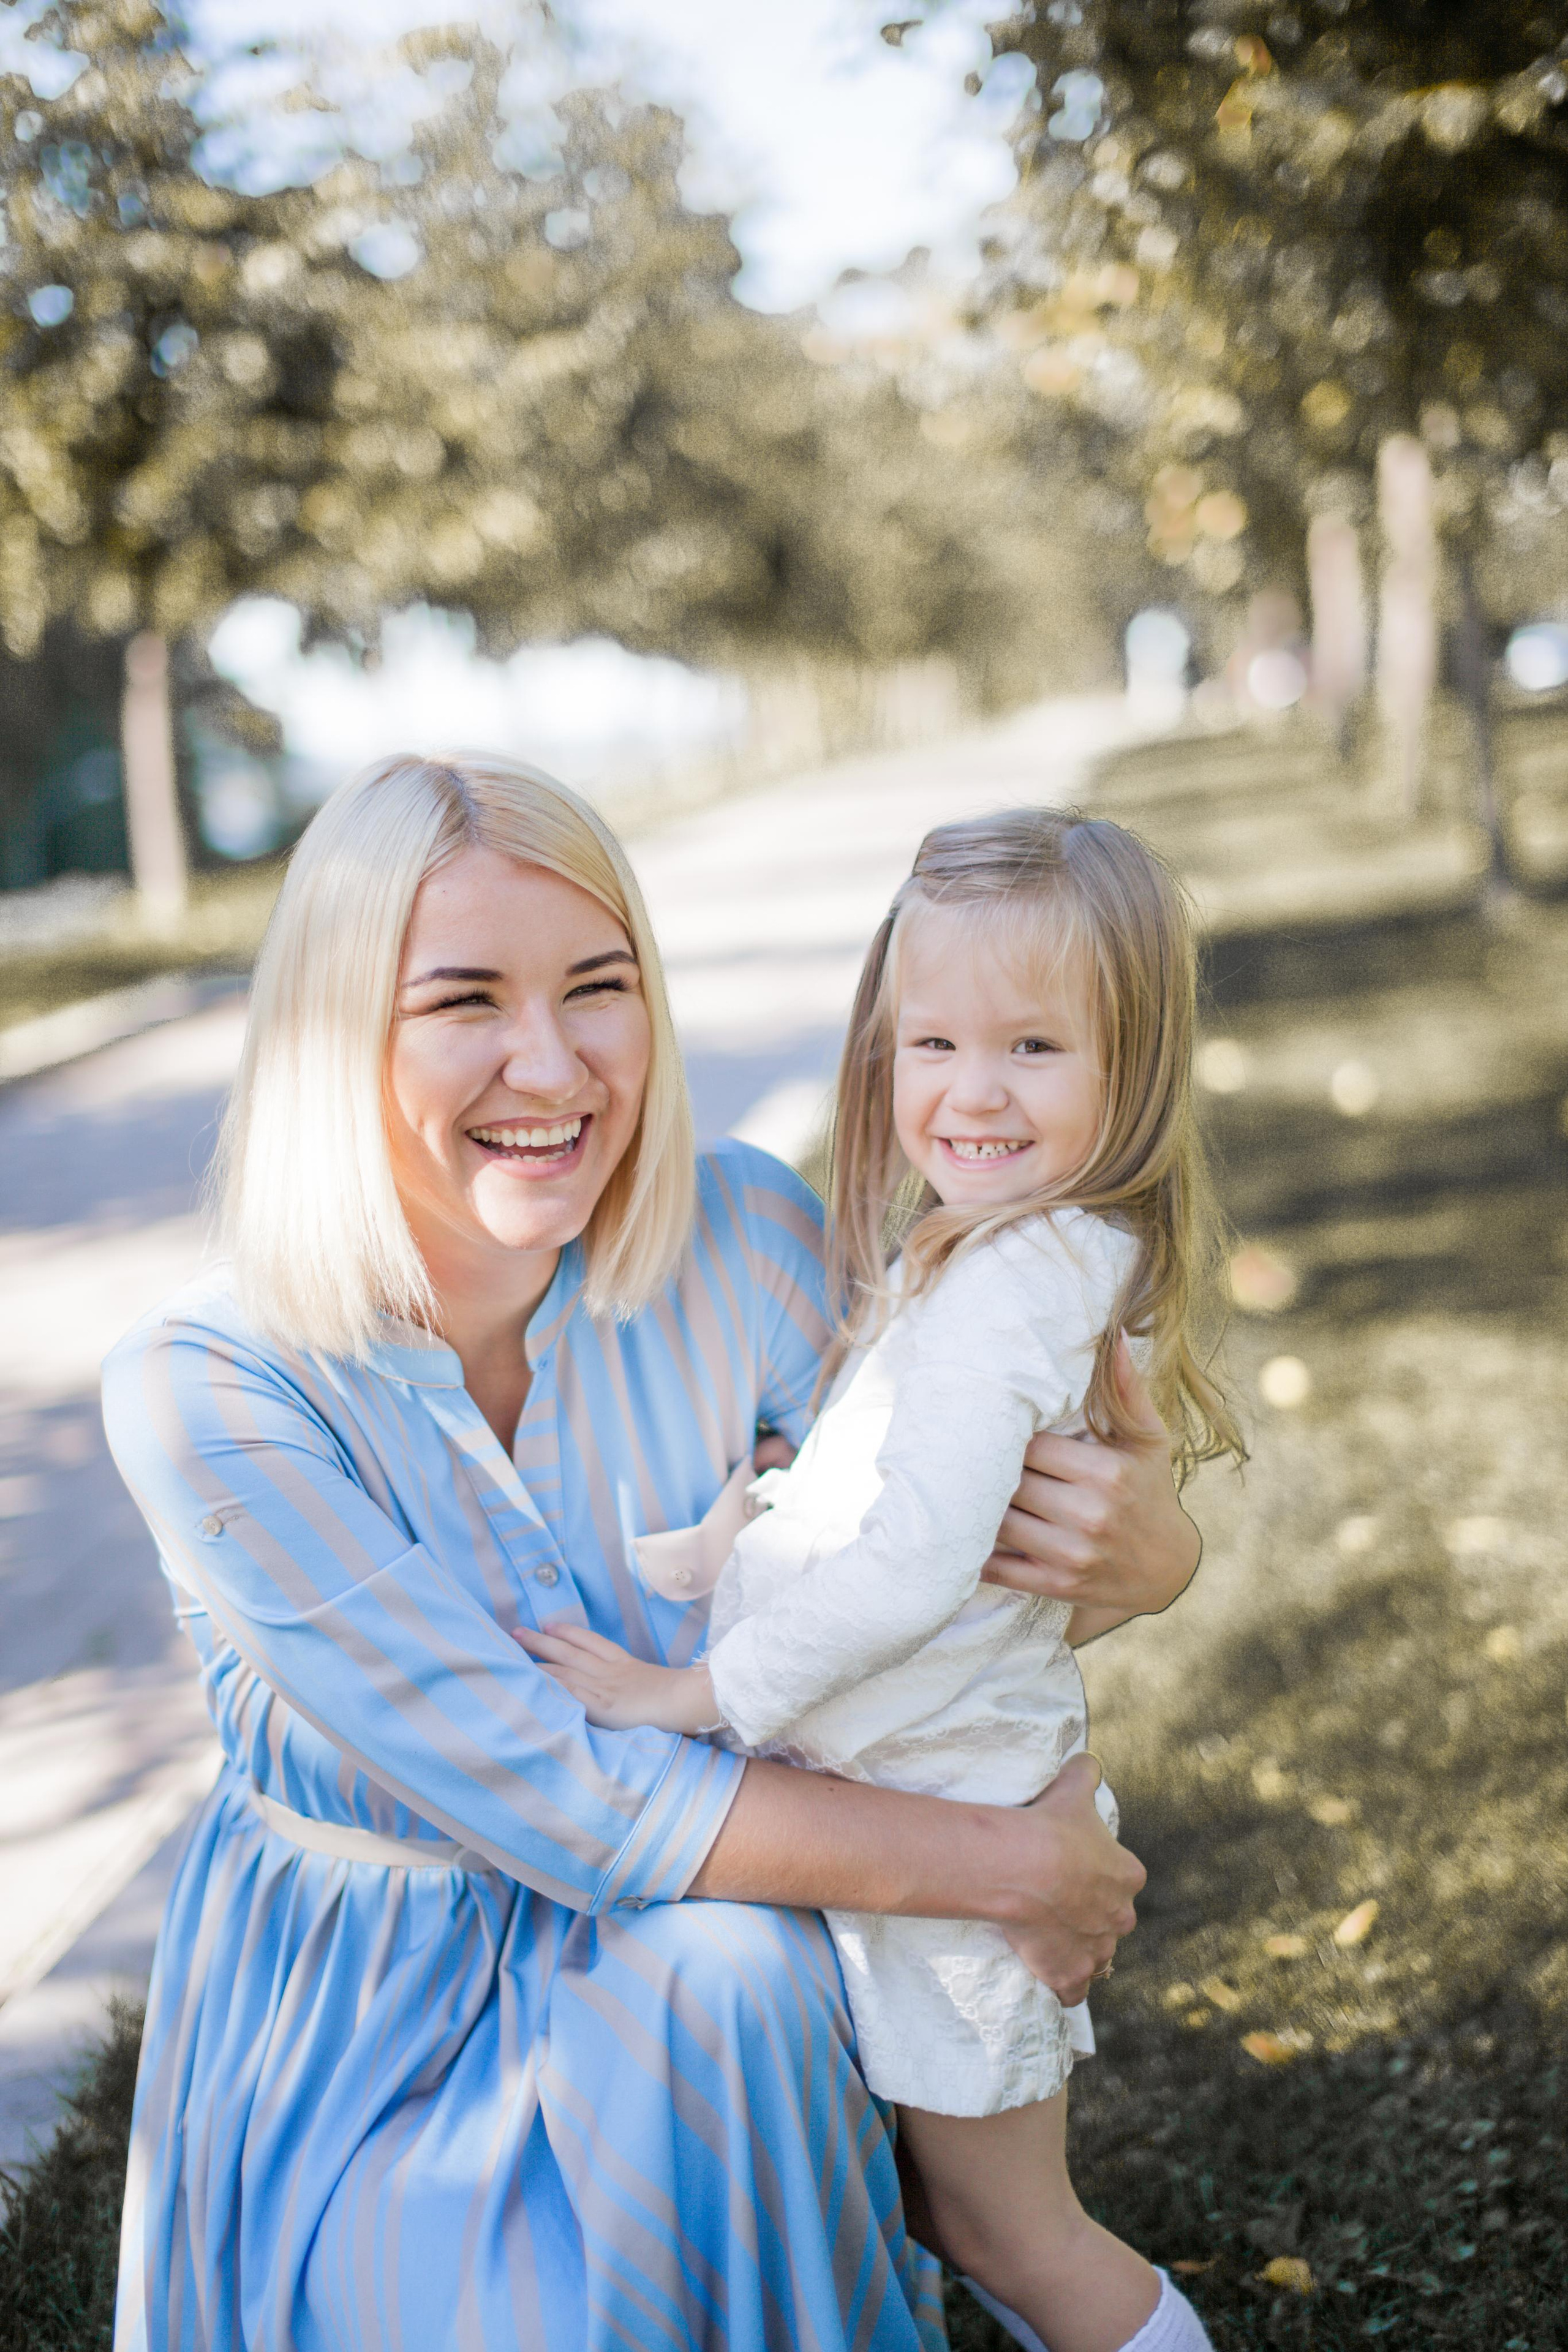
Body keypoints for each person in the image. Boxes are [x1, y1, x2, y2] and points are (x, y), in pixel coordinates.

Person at [102, 755, 1204, 2352]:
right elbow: (560, 1785)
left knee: (731, 1985)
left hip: (720, 1946)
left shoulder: (748, 1237)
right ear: (337, 1030)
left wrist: (1149, 1560)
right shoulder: (212, 1393)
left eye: (597, 988)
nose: (547, 1063)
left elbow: (913, 1588)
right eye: (464, 999)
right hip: (383, 2008)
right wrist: (1014, 1867)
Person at [520, 809, 1243, 2352]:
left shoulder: (1013, 1286)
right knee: (936, 2207)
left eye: (1035, 1047)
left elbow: (919, 1569)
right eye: (933, 1042)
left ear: (1133, 1069)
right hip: (924, 1811)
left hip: (953, 1840)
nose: (970, 1093)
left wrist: (694, 1692)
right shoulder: (991, 1252)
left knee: (1012, 2231)